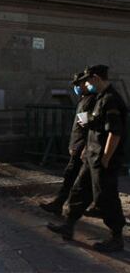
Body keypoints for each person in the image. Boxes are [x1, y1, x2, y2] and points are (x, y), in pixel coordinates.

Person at [47, 65, 127, 253]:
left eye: (89, 80)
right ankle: (68, 225)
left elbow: (114, 133)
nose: (87, 83)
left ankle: (116, 238)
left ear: (97, 78)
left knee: (106, 198)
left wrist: (106, 158)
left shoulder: (111, 100)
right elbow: (94, 126)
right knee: (78, 191)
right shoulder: (99, 98)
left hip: (103, 159)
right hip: (91, 156)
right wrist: (86, 151)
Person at [40, 72, 96, 216]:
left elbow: (87, 127)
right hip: (78, 145)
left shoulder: (89, 100)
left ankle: (66, 209)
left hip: (82, 147)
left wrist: (82, 146)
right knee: (73, 178)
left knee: (75, 179)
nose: (76, 87)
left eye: (79, 84)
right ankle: (60, 205)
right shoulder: (83, 100)